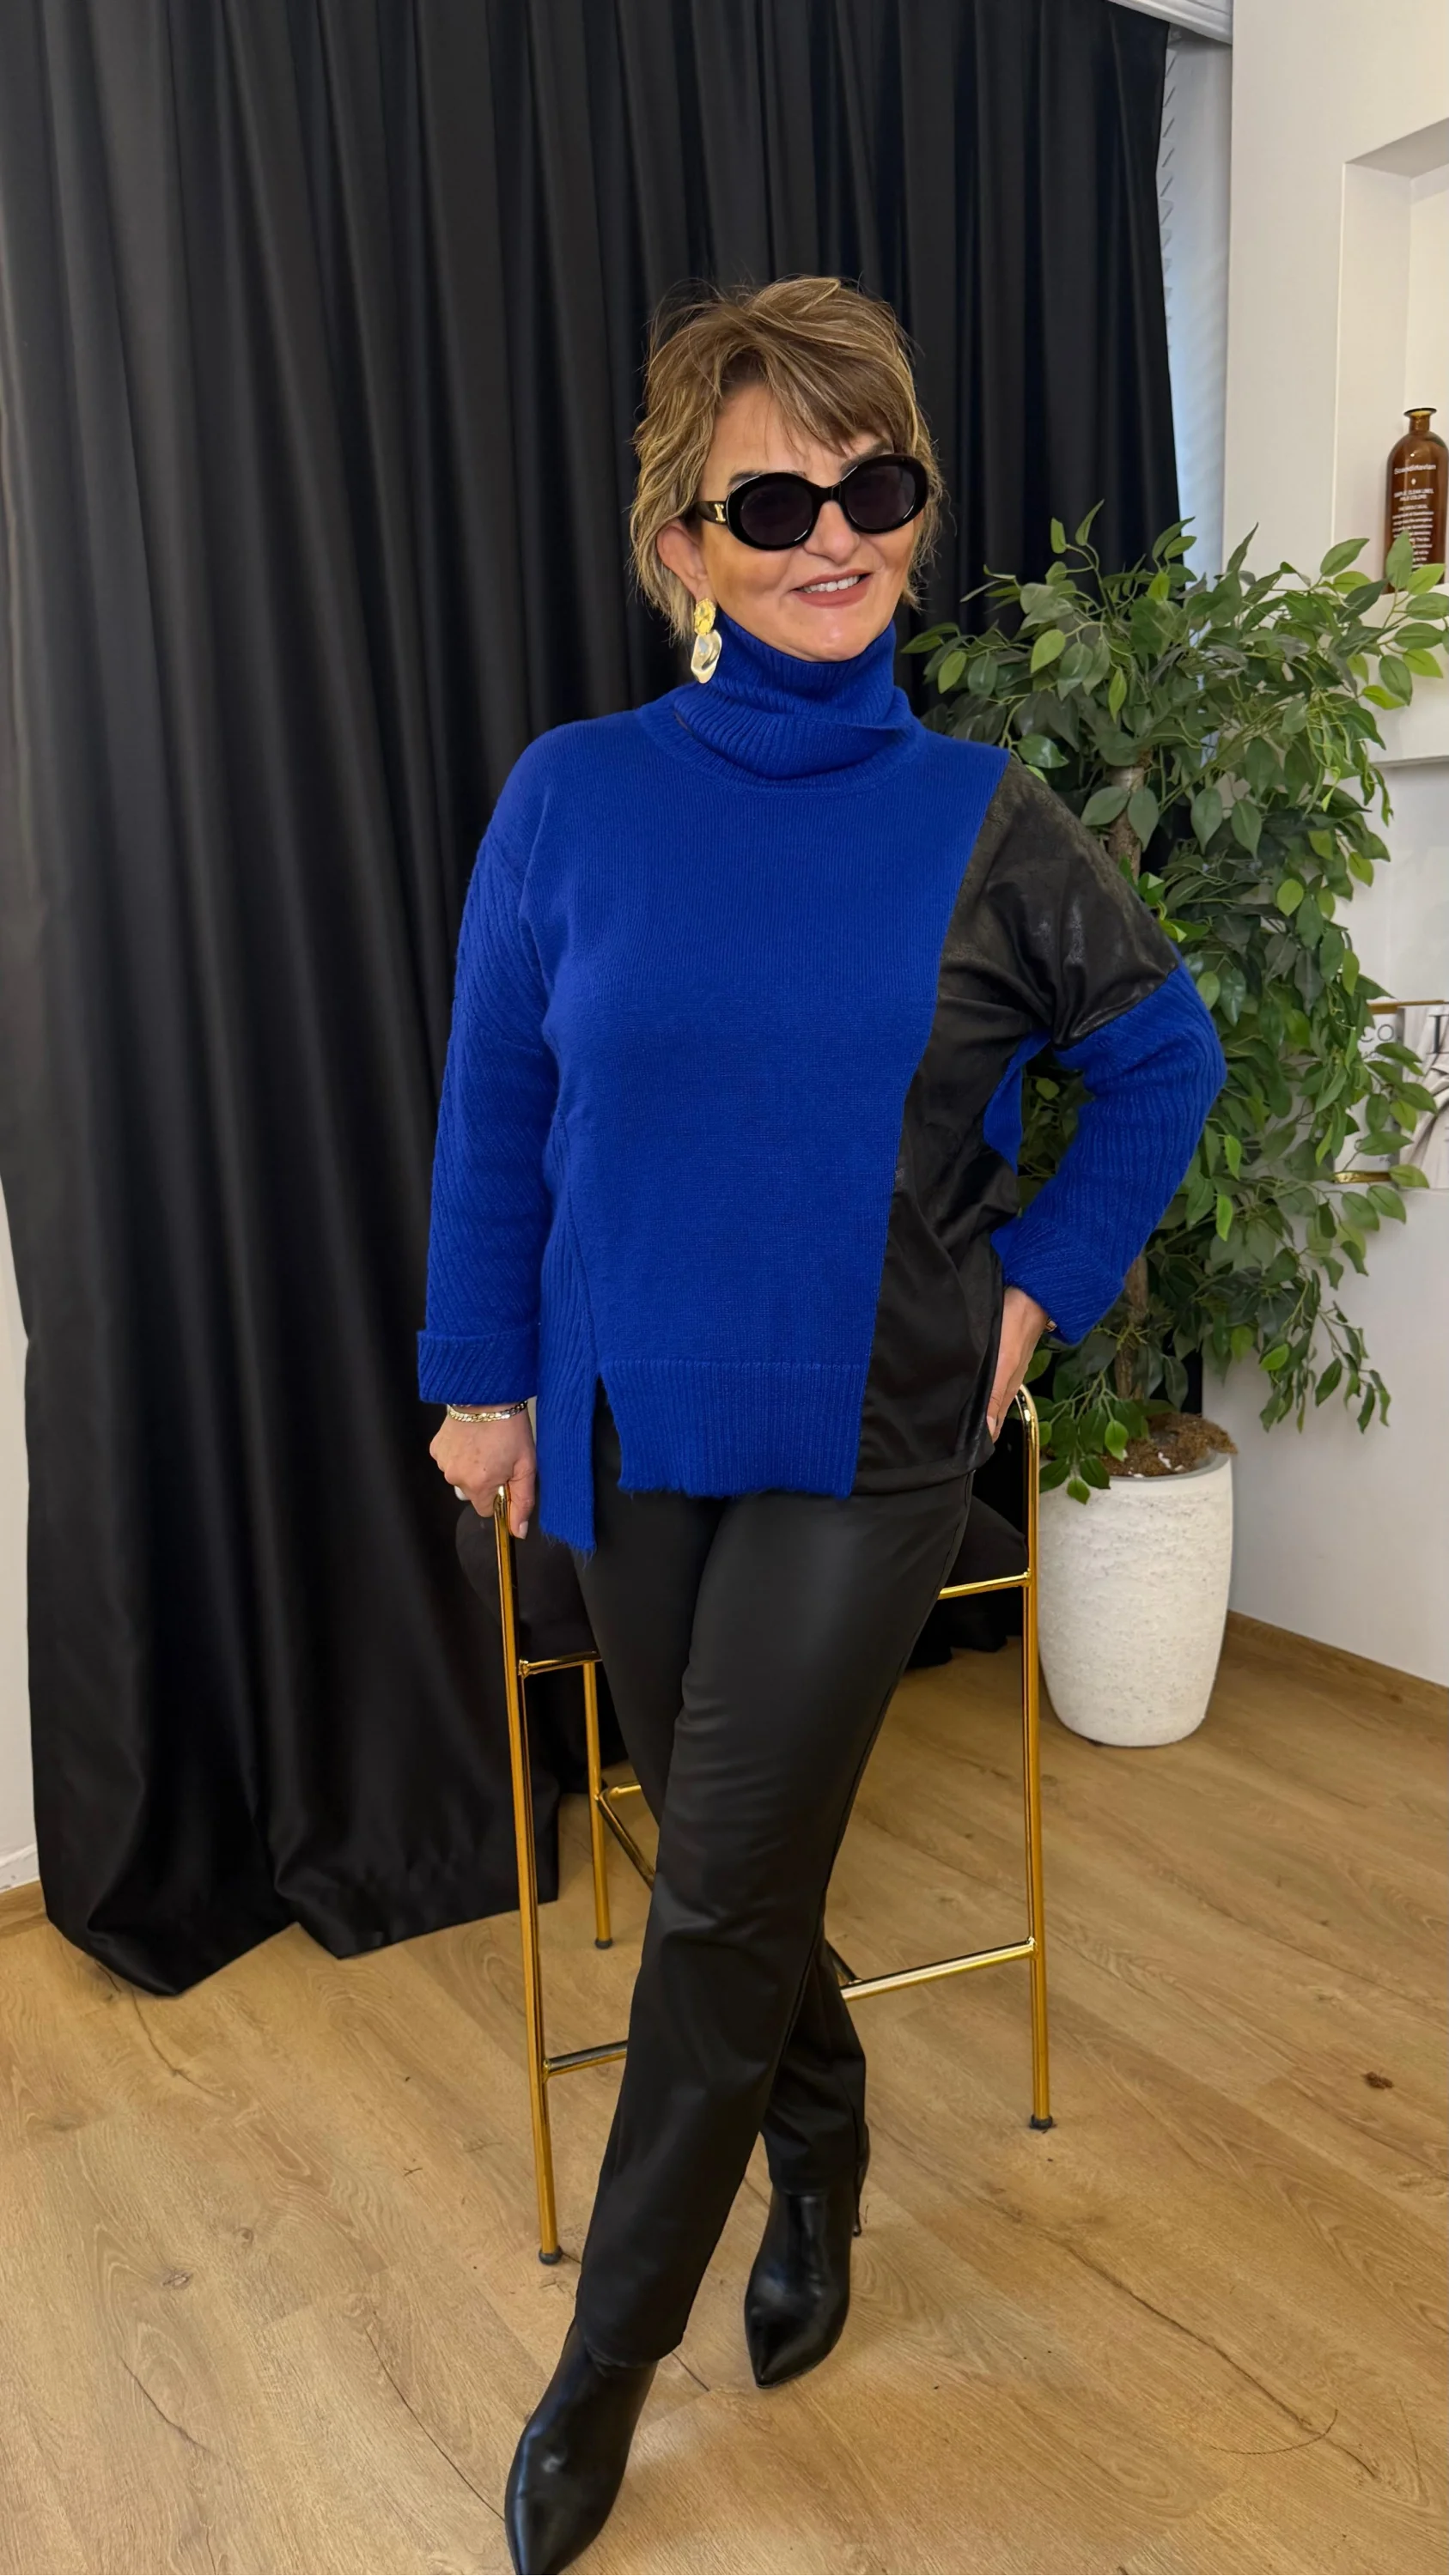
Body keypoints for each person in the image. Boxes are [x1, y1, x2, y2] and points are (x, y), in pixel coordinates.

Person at [419, 276, 1224, 2576]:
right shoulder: (572, 799)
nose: (831, 535)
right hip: (624, 1415)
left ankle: (598, 2383)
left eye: (872, 488)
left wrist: (1036, 1290)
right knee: (735, 1864)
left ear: (913, 514)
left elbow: (1159, 1056)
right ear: (682, 543)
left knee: (712, 1905)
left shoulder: (985, 818)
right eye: (770, 502)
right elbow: (501, 1105)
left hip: (870, 1430)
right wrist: (481, 1380)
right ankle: (829, 2130)